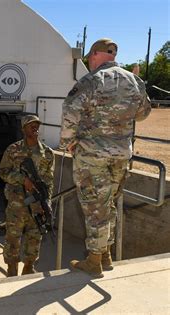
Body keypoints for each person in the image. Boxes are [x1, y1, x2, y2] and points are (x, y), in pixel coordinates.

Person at [60, 38, 151, 277]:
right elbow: (143, 114)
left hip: (93, 156)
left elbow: (70, 113)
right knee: (108, 204)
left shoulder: (90, 81)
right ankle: (106, 254)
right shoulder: (134, 81)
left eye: (90, 57)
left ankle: (94, 260)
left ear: (97, 54)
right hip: (121, 155)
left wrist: (67, 143)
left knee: (94, 207)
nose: (89, 61)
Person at [0, 115, 54, 276]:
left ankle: (29, 266)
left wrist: (47, 203)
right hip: (17, 204)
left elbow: (49, 181)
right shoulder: (13, 150)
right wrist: (22, 180)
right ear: (23, 129)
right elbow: (3, 172)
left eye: (37, 125)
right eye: (31, 125)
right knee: (13, 238)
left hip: (37, 204)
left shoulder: (47, 153)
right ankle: (12, 268)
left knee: (35, 237)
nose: (35, 128)